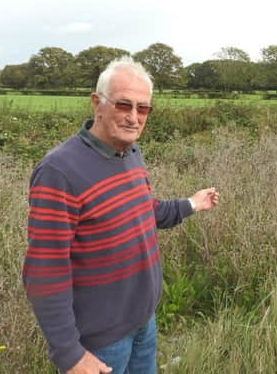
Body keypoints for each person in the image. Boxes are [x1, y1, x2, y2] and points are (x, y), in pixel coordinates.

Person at [22, 56, 219, 374]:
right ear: (96, 103)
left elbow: (146, 211)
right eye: (123, 105)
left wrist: (192, 204)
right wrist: (70, 354)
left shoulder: (129, 152)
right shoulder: (59, 170)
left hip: (143, 322)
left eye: (143, 109)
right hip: (100, 342)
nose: (133, 117)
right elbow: (45, 270)